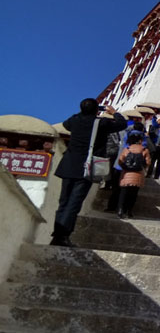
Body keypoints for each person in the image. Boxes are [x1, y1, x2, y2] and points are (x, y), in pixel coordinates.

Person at [51, 99, 127, 247]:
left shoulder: (75, 120)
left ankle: (57, 234)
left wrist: (84, 112)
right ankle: (63, 236)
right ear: (96, 110)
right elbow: (122, 124)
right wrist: (114, 112)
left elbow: (66, 125)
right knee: (74, 203)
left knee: (64, 202)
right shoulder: (101, 123)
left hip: (69, 165)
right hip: (86, 167)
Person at [115, 132, 151, 219]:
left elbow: (120, 160)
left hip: (126, 174)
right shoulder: (144, 150)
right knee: (133, 194)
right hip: (138, 174)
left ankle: (120, 210)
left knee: (123, 193)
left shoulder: (127, 149)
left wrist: (125, 167)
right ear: (140, 140)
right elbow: (148, 162)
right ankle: (129, 211)